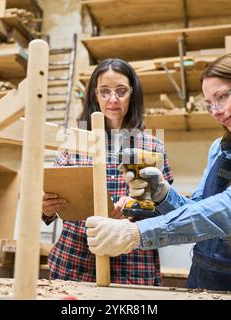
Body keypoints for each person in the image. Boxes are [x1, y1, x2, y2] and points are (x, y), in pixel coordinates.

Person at [85, 52, 231, 293]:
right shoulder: (220, 149)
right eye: (209, 104)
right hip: (201, 282)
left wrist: (135, 233)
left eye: (221, 97)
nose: (216, 111)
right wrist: (162, 194)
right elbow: (198, 211)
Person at [42, 58, 173, 285]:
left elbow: (170, 210)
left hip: (133, 262)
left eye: (121, 91)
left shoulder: (153, 146)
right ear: (95, 95)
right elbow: (53, 201)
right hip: (77, 260)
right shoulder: (75, 142)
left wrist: (135, 208)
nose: (113, 99)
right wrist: (46, 209)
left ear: (133, 93)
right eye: (105, 92)